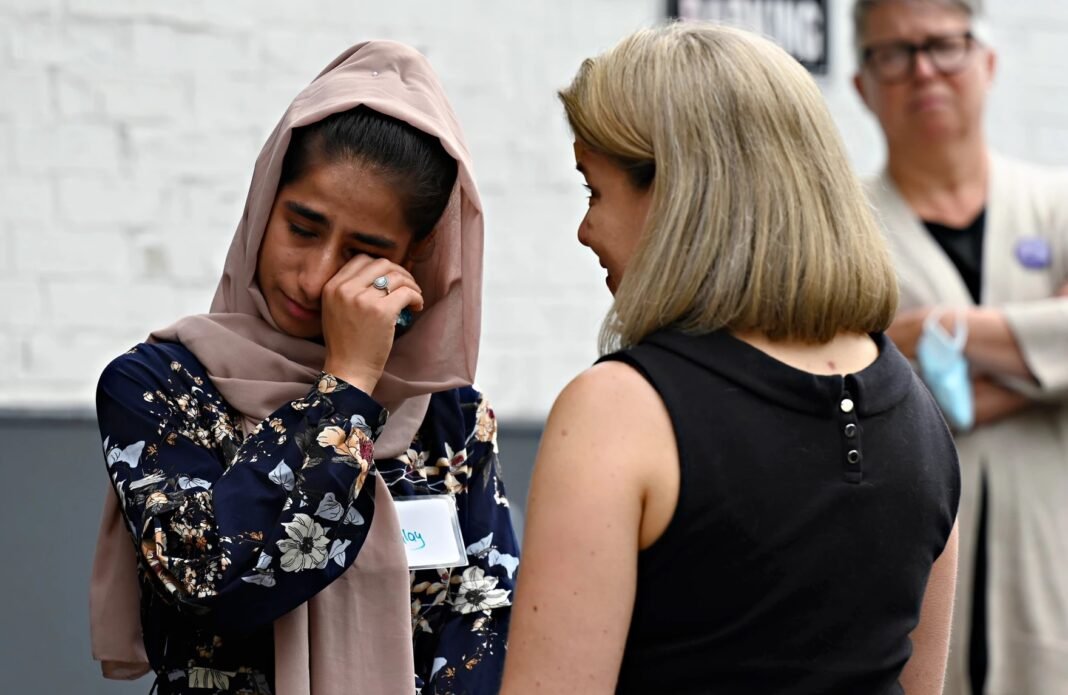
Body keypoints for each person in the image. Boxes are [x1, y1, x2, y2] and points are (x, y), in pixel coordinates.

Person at [500, 22, 960, 695]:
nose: (584, 229)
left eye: (594, 191)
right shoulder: (916, 409)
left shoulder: (619, 412)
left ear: (678, 196)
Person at [89, 41, 518, 695]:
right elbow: (213, 580)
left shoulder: (452, 420)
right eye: (303, 228)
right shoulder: (159, 387)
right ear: (265, 204)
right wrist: (345, 388)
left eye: (362, 251)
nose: (316, 277)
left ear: (412, 262)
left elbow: (481, 624)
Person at [852, 1, 1068, 692]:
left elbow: (873, 365)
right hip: (902, 573)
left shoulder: (1056, 203)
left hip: (1051, 567)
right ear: (861, 84)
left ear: (989, 61)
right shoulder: (843, 227)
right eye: (894, 53)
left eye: (945, 45)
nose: (924, 71)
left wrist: (924, 334)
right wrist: (1046, 366)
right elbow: (836, 381)